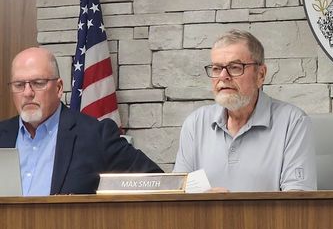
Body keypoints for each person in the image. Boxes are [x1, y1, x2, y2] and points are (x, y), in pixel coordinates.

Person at [0, 47, 162, 196]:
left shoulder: (96, 136)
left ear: (58, 88)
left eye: (38, 83)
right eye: (19, 85)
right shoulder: (3, 135)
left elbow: (156, 182)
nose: (27, 93)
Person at [173, 29, 316, 191]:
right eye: (216, 68)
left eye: (235, 67)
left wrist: (226, 205)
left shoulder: (293, 122)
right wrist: (208, 202)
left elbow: (297, 199)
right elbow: (178, 194)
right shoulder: (195, 123)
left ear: (260, 75)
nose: (223, 76)